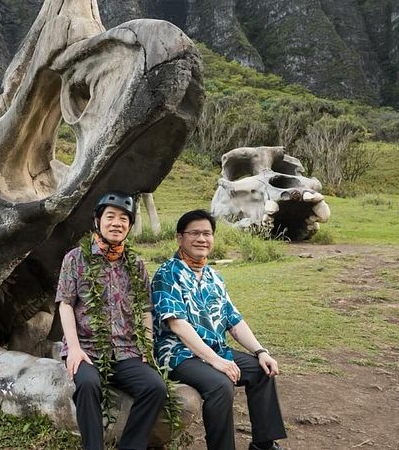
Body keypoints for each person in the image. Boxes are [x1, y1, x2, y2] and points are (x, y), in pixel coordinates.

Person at [152, 209, 287, 450]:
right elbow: (177, 325)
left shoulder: (214, 276)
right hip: (179, 355)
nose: (201, 239)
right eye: (194, 233)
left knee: (261, 371)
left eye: (207, 233)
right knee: (220, 385)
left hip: (215, 350)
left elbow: (234, 320)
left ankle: (263, 445)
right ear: (179, 238)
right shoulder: (167, 273)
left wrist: (260, 351)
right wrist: (216, 361)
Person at [56, 191, 168, 450]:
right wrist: (73, 349)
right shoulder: (75, 258)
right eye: (110, 217)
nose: (117, 223)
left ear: (129, 226)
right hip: (87, 348)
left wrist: (146, 347)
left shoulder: (136, 263)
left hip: (126, 350)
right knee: (87, 384)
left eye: (124, 219)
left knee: (155, 387)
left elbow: (146, 309)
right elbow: (65, 304)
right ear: (98, 220)